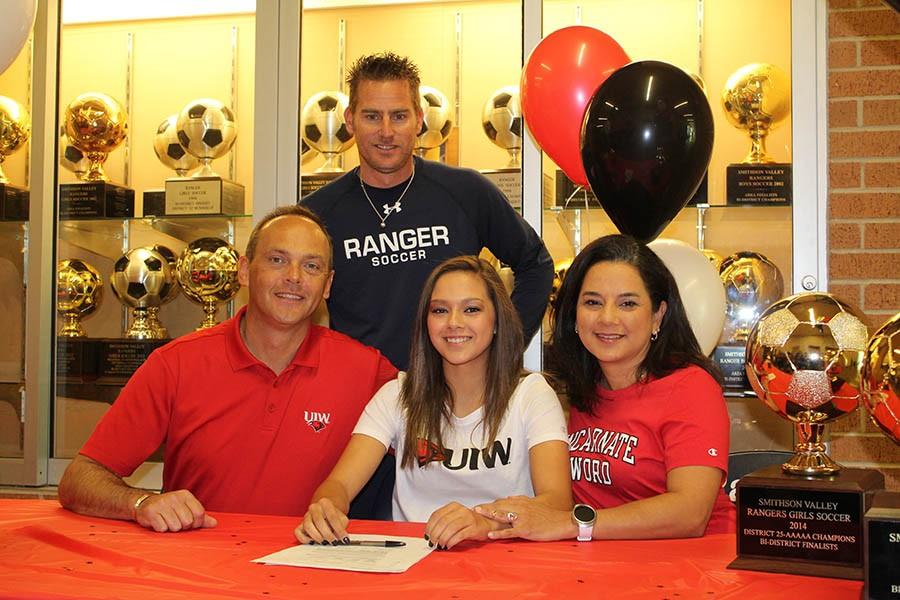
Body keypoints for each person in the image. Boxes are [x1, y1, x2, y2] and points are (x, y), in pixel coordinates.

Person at [58, 206, 397, 532]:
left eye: (311, 266)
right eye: (278, 260)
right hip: (200, 577)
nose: (294, 277)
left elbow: (441, 436)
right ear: (245, 270)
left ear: (327, 284)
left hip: (310, 576)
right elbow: (80, 478)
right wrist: (140, 502)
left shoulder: (367, 370)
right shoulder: (176, 364)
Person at [294, 256, 571, 549]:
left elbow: (557, 502)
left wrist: (485, 523)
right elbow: (339, 485)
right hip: (411, 567)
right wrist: (326, 507)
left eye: (471, 309)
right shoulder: (397, 395)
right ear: (426, 323)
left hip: (508, 564)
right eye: (440, 310)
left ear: (497, 322)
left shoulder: (532, 395)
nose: (454, 322)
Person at [303, 52, 553, 370]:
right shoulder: (316, 215)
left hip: (455, 397)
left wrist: (502, 346)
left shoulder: (466, 191)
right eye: (371, 116)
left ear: (419, 119)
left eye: (398, 116)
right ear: (350, 120)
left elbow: (536, 264)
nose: (386, 131)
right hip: (362, 398)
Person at [475, 234, 734, 540]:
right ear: (573, 314)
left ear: (658, 315)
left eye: (627, 303)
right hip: (605, 565)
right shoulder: (579, 390)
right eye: (593, 302)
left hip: (696, 568)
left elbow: (690, 514)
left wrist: (572, 524)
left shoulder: (691, 386)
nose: (607, 318)